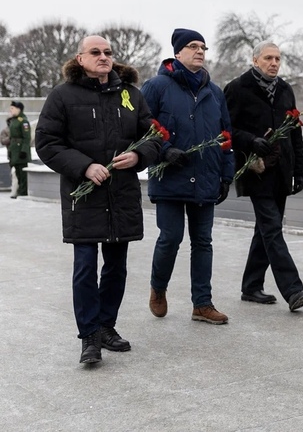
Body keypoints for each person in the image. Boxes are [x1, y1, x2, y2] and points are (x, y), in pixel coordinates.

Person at [35, 35, 161, 364]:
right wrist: (85, 166)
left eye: (107, 52)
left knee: (116, 267)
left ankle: (106, 326)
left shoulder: (130, 94)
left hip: (121, 195)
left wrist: (139, 156)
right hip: (84, 197)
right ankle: (89, 336)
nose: (103, 56)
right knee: (85, 267)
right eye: (95, 52)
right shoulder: (62, 96)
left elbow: (154, 136)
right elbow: (47, 143)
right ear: (80, 58)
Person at [141, 28, 234, 325]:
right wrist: (164, 150)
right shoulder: (156, 86)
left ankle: (202, 304)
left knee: (203, 241)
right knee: (171, 237)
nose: (200, 52)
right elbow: (142, 126)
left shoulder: (214, 92)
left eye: (203, 47)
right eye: (193, 46)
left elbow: (226, 136)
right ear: (177, 52)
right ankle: (158, 288)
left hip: (206, 177)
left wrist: (226, 175)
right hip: (170, 176)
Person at [224, 41, 303, 312]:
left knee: (266, 230)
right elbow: (226, 129)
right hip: (256, 170)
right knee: (272, 228)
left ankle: (251, 286)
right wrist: (251, 141)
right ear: (255, 60)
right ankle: (293, 289)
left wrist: (300, 169)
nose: (274, 63)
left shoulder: (285, 89)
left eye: (277, 59)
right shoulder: (237, 88)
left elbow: (295, 131)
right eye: (268, 58)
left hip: (282, 170)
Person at [7, 100, 30, 198]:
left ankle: (23, 191)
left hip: (20, 149)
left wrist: (24, 150)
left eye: (12, 108)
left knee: (22, 172)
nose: (10, 110)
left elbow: (26, 137)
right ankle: (20, 190)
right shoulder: (14, 120)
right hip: (14, 150)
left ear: (18, 109)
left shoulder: (23, 121)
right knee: (17, 172)